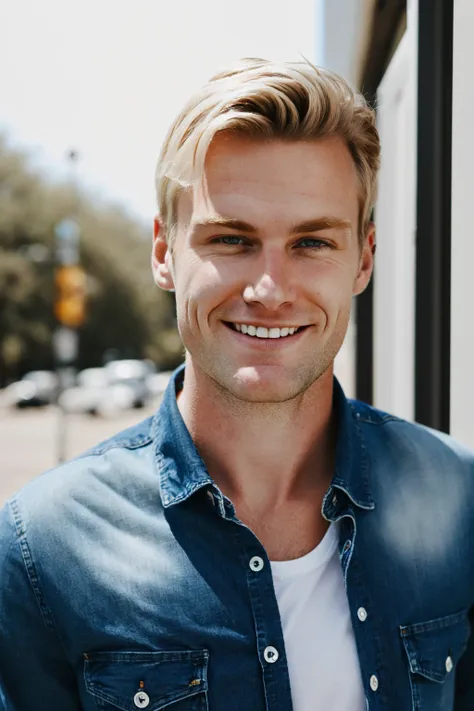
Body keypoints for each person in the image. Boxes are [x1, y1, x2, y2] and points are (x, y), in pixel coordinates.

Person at [0, 57, 473, 711]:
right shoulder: (42, 547)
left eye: (312, 243)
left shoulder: (459, 499)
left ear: (363, 258)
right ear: (165, 252)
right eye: (230, 239)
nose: (270, 290)